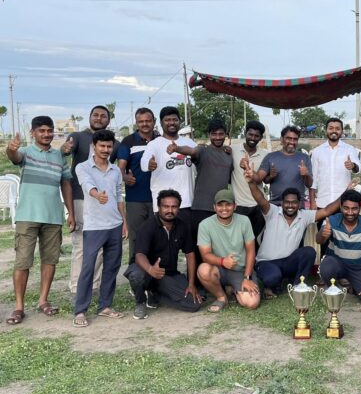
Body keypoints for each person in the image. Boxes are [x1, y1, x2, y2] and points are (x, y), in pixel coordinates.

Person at [5, 116, 75, 325]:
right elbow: (14, 156)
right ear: (33, 133)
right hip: (27, 216)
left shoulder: (59, 155)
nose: (46, 134)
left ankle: (43, 301)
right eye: (41, 131)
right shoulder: (26, 152)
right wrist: (10, 149)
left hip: (53, 216)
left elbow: (66, 184)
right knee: (23, 262)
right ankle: (19, 307)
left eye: (49, 130)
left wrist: (70, 212)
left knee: (50, 260)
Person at [244, 162, 348, 298]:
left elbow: (327, 211)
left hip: (288, 262)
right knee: (272, 278)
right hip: (266, 262)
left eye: (294, 202)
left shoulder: (304, 215)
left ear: (299, 204)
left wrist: (345, 194)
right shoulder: (272, 211)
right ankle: (273, 285)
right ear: (282, 203)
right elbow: (260, 198)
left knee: (309, 252)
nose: (290, 205)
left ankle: (298, 285)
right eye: (287, 202)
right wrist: (251, 183)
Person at [73, 130, 129, 327]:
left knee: (111, 268)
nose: (105, 150)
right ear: (93, 146)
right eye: (102, 146)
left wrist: (124, 222)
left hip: (115, 225)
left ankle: (105, 306)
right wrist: (97, 195)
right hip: (94, 226)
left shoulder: (115, 171)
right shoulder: (82, 167)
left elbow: (119, 197)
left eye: (109, 146)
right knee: (88, 268)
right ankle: (80, 310)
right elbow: (86, 184)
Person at [123, 189, 203, 319]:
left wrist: (191, 284)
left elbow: (190, 254)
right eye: (166, 206)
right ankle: (140, 302)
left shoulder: (183, 226)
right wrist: (151, 269)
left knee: (194, 304)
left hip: (167, 274)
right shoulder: (147, 226)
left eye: (174, 207)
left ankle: (155, 294)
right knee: (136, 275)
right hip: (145, 270)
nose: (170, 210)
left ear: (179, 208)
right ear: (159, 207)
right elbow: (139, 255)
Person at [62, 105, 116, 294]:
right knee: (80, 245)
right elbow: (66, 149)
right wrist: (65, 149)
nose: (99, 118)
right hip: (80, 198)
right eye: (95, 115)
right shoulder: (78, 137)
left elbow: (116, 168)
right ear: (90, 117)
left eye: (103, 116)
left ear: (108, 120)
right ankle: (77, 288)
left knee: (99, 245)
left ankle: (93, 286)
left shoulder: (112, 142)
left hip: (103, 201)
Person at [168, 119, 234, 267]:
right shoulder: (203, 151)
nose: (218, 137)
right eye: (214, 134)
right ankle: (196, 278)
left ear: (226, 135)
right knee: (199, 248)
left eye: (221, 134)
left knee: (218, 247)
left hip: (221, 209)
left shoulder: (228, 155)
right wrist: (177, 148)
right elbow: (191, 151)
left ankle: (216, 276)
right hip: (201, 208)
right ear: (209, 135)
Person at [196, 189, 259, 312]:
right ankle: (221, 297)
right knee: (203, 270)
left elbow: (251, 251)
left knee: (252, 303)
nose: (224, 208)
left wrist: (247, 278)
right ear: (214, 207)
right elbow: (205, 255)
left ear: (235, 206)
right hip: (219, 269)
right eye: (220, 205)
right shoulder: (204, 225)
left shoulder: (244, 221)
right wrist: (223, 261)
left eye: (228, 204)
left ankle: (233, 288)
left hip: (240, 271)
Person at [315, 189, 361, 305]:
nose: (350, 212)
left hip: (358, 267)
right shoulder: (331, 220)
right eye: (346, 208)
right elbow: (318, 240)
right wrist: (322, 233)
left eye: (354, 209)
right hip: (336, 263)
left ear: (360, 208)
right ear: (340, 207)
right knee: (327, 266)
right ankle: (334, 288)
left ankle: (352, 287)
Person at [310, 117, 361, 256]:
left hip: (344, 205)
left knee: (344, 240)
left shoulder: (349, 149)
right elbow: (313, 179)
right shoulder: (317, 152)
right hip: (323, 204)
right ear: (326, 130)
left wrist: (353, 166)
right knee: (324, 239)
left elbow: (358, 168)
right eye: (331, 128)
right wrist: (313, 202)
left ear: (342, 131)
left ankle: (344, 267)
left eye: (337, 128)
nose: (334, 131)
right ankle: (325, 267)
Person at [117, 107, 159, 265]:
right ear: (136, 123)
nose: (145, 124)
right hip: (136, 199)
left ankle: (155, 274)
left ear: (154, 121)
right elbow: (120, 168)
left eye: (148, 121)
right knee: (136, 238)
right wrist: (125, 177)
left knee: (157, 238)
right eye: (141, 121)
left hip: (158, 199)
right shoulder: (128, 141)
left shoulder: (160, 140)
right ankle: (136, 273)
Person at [140, 106, 197, 221]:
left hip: (188, 203)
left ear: (179, 122)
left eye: (175, 120)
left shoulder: (190, 143)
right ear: (161, 123)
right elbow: (143, 164)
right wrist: (149, 164)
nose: (171, 123)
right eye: (167, 120)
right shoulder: (154, 144)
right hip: (164, 207)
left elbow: (203, 157)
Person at [231, 120, 269, 250]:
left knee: (257, 241)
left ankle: (255, 263)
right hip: (239, 205)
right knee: (239, 242)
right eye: (250, 134)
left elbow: (263, 179)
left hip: (258, 205)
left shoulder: (265, 155)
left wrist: (250, 170)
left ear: (261, 138)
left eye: (256, 136)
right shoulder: (232, 150)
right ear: (245, 133)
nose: (253, 138)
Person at [255, 125, 312, 206]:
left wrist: (306, 175)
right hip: (275, 206)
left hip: (297, 206)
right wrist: (271, 176)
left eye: (295, 139)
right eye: (288, 138)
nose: (292, 142)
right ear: (281, 139)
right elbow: (264, 180)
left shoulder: (305, 158)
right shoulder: (270, 157)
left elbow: (309, 184)